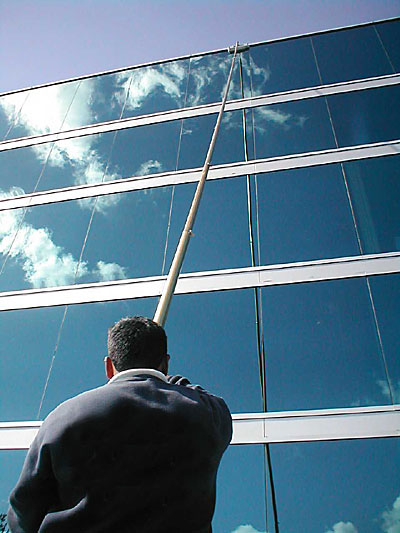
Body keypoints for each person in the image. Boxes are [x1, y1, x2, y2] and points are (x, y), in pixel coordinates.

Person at [7, 316, 232, 532]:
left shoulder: (62, 417)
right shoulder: (205, 413)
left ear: (108, 366)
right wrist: (170, 381)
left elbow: (24, 512)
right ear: (165, 364)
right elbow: (203, 396)